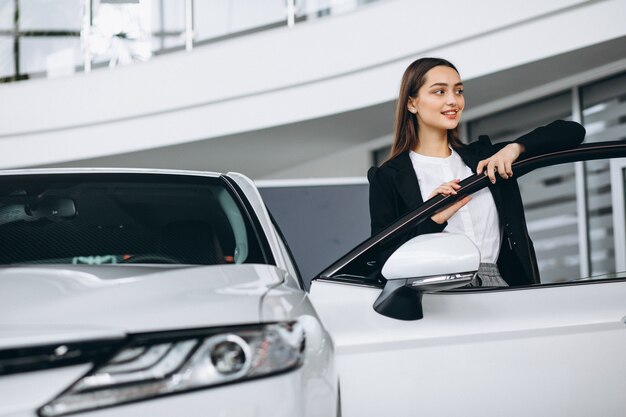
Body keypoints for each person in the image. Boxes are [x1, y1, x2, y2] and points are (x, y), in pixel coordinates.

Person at [368, 57, 586, 287]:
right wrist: (433, 219)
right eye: (440, 92)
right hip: (436, 291)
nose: (453, 101)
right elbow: (385, 260)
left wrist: (515, 148)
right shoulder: (388, 177)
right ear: (412, 103)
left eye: (458, 91)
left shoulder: (486, 157)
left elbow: (572, 132)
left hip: (503, 286)